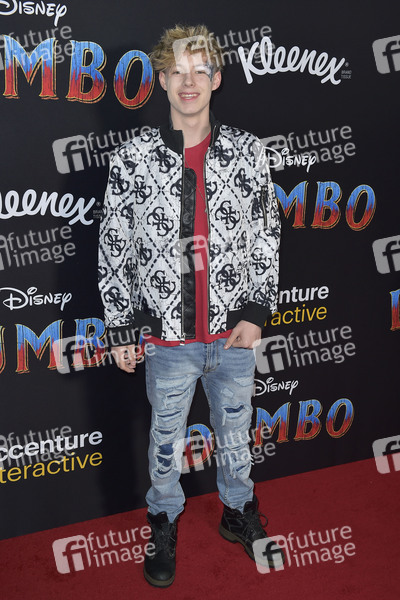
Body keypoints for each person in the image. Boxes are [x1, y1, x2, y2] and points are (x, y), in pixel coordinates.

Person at [98, 23, 283, 587]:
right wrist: (121, 327)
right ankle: (162, 520)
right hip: (168, 340)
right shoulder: (132, 158)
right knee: (165, 441)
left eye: (200, 69)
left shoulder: (249, 152)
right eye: (176, 70)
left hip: (233, 336)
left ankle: (238, 511)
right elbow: (113, 245)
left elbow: (266, 235)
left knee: (236, 434)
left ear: (216, 79)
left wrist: (255, 312)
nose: (188, 81)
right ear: (160, 80)